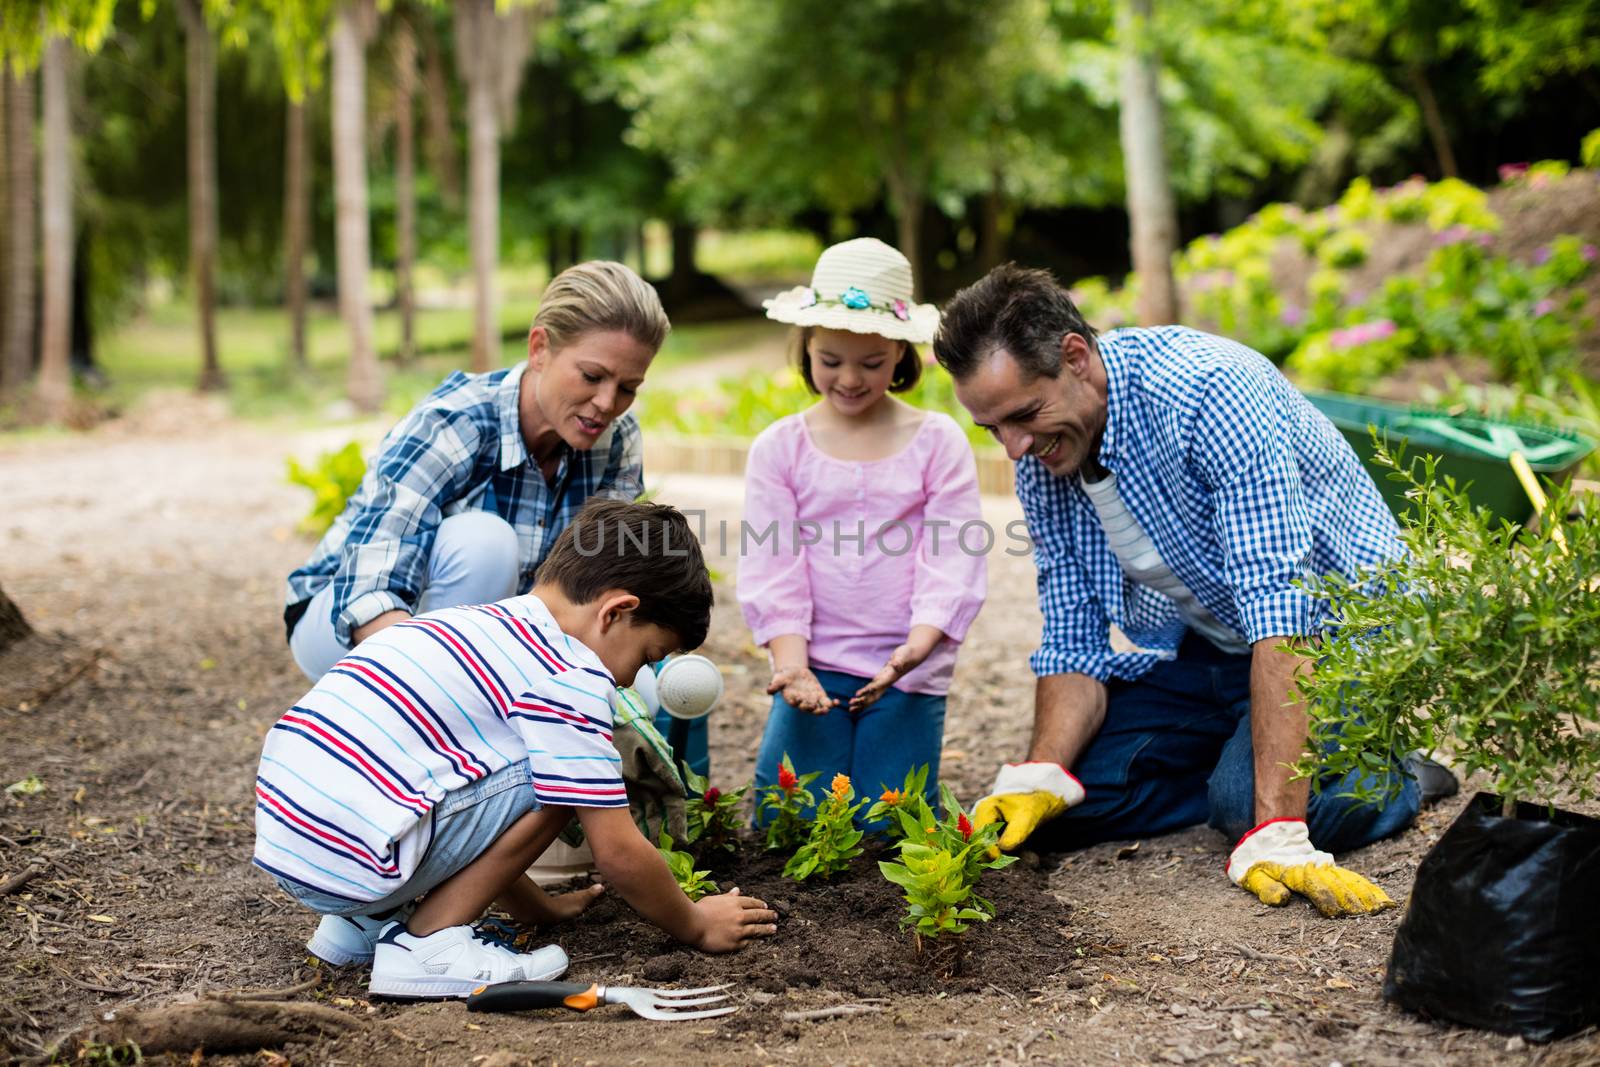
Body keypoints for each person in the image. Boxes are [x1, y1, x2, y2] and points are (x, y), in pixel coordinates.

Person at [934, 264, 1456, 918]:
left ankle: (1395, 776)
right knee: (1068, 802)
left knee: (1252, 809)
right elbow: (1072, 633)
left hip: (1345, 635)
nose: (1012, 448)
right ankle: (1251, 746)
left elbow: (1284, 607)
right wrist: (1041, 773)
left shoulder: (1210, 392)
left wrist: (1278, 826)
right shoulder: (1046, 457)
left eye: (1023, 415)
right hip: (1220, 646)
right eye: (991, 429)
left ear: (1075, 357)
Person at [254, 500, 779, 999]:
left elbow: (467, 800)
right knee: (570, 778)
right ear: (617, 612)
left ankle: (364, 923)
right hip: (353, 861)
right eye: (647, 656)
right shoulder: (570, 676)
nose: (631, 679)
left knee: (529, 764)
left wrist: (539, 909)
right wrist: (696, 923)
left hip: (298, 847)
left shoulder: (470, 624)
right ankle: (426, 947)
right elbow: (616, 853)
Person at [285, 261, 667, 682]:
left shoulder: (618, 438)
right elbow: (366, 592)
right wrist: (461, 687)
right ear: (539, 348)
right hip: (347, 621)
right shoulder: (453, 424)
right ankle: (428, 716)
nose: (607, 403)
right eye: (592, 376)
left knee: (644, 690)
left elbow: (598, 595)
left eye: (628, 387)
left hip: (488, 640)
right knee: (484, 544)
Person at [738, 238, 987, 820]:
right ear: (806, 348)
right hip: (813, 665)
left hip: (906, 666)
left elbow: (953, 557)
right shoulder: (781, 447)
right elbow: (774, 565)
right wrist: (791, 664)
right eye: (830, 361)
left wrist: (913, 653)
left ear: (901, 355)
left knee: (888, 821)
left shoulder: (937, 442)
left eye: (871, 363)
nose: (849, 379)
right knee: (789, 817)